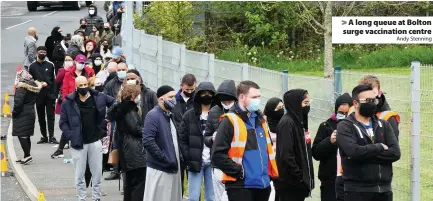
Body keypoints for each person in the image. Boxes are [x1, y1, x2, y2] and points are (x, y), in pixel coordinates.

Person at [211, 80, 279, 201]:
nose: (258, 100)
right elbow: (217, 155)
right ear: (242, 97)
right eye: (254, 97)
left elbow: (267, 150)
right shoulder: (229, 121)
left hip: (263, 185)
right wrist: (239, 171)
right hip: (241, 187)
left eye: (259, 96)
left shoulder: (260, 120)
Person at [337, 85, 400, 201]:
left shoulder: (384, 125)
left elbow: (395, 153)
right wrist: (379, 147)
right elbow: (353, 152)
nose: (373, 104)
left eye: (374, 100)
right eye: (368, 101)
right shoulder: (345, 126)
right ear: (355, 103)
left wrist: (365, 154)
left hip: (384, 191)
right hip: (357, 191)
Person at [60, 76, 114, 201]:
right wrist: (71, 136)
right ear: (76, 87)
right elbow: (63, 123)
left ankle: (96, 198)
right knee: (79, 175)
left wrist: (106, 120)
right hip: (78, 144)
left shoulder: (98, 97)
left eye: (85, 85)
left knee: (97, 174)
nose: (84, 87)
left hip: (95, 141)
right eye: (81, 85)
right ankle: (82, 198)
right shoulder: (68, 102)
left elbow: (114, 104)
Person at [142, 85, 183, 201]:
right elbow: (148, 141)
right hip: (160, 169)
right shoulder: (153, 115)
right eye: (171, 97)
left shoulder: (169, 115)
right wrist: (165, 158)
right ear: (161, 99)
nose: (174, 100)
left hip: (172, 167)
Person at [51, 54, 95, 158]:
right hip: (72, 102)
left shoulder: (89, 72)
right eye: (79, 62)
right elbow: (65, 89)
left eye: (83, 62)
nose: (81, 64)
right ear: (75, 62)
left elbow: (92, 85)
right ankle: (61, 149)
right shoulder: (68, 73)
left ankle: (83, 148)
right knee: (70, 125)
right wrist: (68, 101)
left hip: (86, 101)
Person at [107, 84, 146, 201]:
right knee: (138, 185)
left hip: (126, 150)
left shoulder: (121, 108)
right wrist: (150, 132)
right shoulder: (130, 110)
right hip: (134, 152)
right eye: (138, 95)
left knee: (129, 184)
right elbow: (136, 129)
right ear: (133, 95)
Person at [274, 89, 314, 201]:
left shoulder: (299, 122)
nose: (308, 106)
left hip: (296, 184)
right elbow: (286, 154)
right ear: (296, 103)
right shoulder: (287, 123)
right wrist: (299, 177)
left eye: (309, 103)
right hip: (290, 183)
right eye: (305, 103)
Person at [179, 82, 216, 201]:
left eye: (209, 93)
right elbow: (182, 139)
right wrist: (188, 156)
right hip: (195, 162)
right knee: (193, 197)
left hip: (213, 162)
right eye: (203, 93)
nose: (206, 96)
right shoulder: (189, 116)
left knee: (211, 197)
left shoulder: (218, 116)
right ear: (198, 95)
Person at [312, 93, 352, 201]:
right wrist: (329, 142)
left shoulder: (356, 126)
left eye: (347, 113)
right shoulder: (326, 126)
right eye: (341, 113)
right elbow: (315, 153)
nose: (344, 116)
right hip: (330, 182)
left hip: (351, 181)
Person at [203, 79, 237, 201]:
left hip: (235, 163)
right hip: (218, 164)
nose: (226, 103)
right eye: (224, 100)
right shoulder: (213, 112)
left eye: (229, 100)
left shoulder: (240, 112)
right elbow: (206, 138)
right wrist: (212, 138)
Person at [28, 46, 59, 144]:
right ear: (37, 53)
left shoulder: (50, 65)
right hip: (38, 95)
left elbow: (54, 80)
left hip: (50, 95)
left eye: (44, 52)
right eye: (40, 51)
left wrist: (55, 94)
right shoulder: (32, 66)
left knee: (51, 116)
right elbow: (30, 81)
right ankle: (44, 136)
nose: (42, 53)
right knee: (41, 116)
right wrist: (38, 84)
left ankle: (51, 136)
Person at [104, 62, 128, 181]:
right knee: (115, 143)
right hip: (116, 118)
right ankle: (115, 169)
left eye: (124, 69)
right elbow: (105, 99)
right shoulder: (110, 84)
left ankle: (126, 170)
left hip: (130, 116)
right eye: (119, 70)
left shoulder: (131, 82)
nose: (121, 71)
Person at [12, 70, 43, 165]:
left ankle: (28, 155)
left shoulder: (22, 88)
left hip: (22, 113)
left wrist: (14, 113)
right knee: (26, 135)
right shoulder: (32, 85)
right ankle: (26, 156)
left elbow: (18, 103)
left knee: (22, 135)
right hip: (30, 112)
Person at [358, 75, 400, 140]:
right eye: (365, 93)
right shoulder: (355, 111)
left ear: (379, 93)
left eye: (373, 93)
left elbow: (393, 148)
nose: (370, 96)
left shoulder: (389, 118)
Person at [263, 97, 284, 201]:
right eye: (278, 108)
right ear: (271, 109)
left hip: (281, 166)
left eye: (282, 107)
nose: (281, 110)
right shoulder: (263, 124)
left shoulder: (286, 124)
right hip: (266, 165)